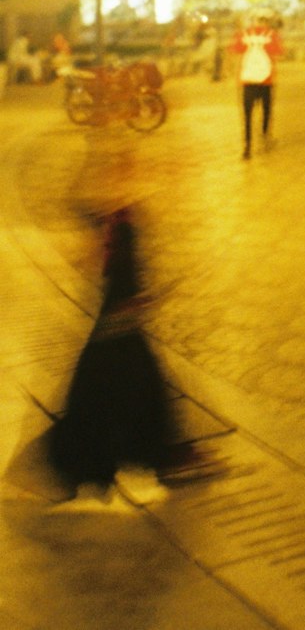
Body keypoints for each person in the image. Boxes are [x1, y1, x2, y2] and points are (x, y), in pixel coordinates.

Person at [46, 195, 180, 507]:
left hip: (120, 305)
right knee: (117, 379)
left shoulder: (121, 214)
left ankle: (139, 453)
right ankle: (127, 454)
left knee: (123, 378)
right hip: (118, 306)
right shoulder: (117, 212)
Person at [230, 13, 283, 158]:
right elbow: (279, 52)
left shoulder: (244, 34)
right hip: (266, 81)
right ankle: (265, 137)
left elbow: (235, 51)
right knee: (266, 111)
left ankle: (247, 146)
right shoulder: (272, 34)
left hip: (248, 81)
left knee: (247, 115)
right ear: (266, 22)